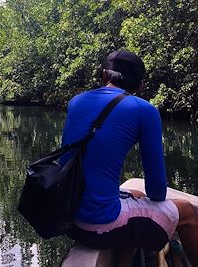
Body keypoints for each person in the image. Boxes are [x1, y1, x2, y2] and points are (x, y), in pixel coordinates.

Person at [60, 50, 198, 265]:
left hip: (69, 221)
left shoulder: (76, 102)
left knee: (132, 194)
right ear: (140, 85)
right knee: (188, 213)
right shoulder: (144, 110)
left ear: (104, 76)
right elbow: (157, 191)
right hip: (100, 225)